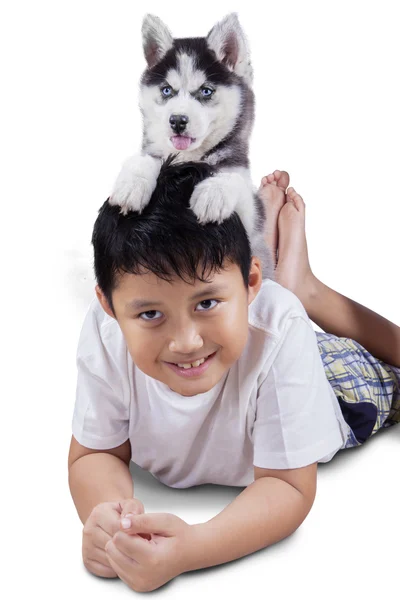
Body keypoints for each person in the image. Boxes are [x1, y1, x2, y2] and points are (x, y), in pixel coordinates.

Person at [68, 156, 400, 593]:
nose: (185, 342)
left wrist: (192, 547)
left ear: (249, 285)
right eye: (150, 313)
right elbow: (95, 454)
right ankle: (263, 270)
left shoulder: (281, 330)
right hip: (245, 340)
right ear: (110, 307)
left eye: (206, 302)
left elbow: (287, 487)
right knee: (265, 325)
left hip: (326, 381)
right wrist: (111, 521)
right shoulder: (105, 330)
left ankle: (305, 288)